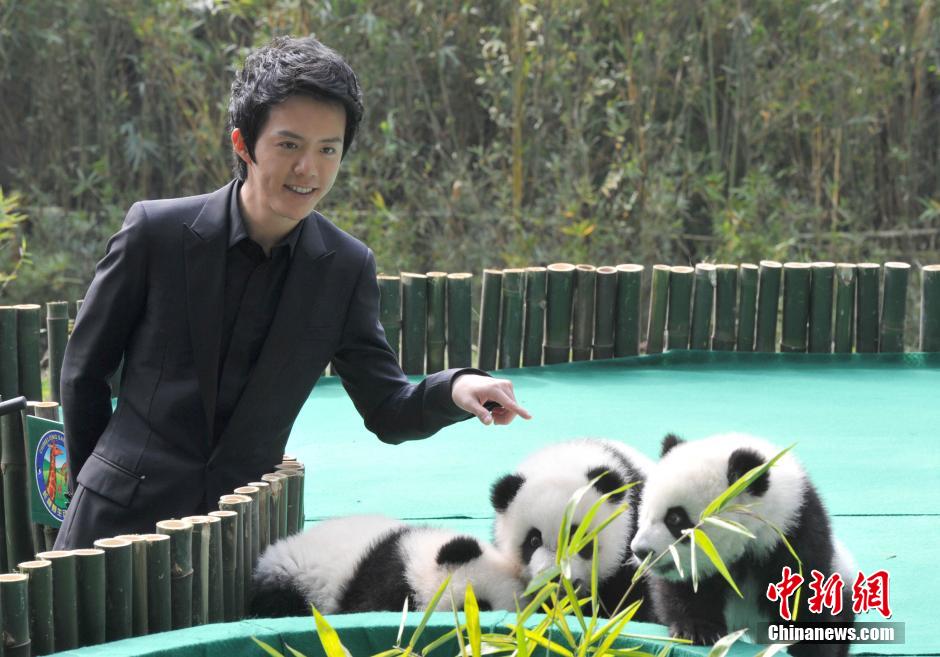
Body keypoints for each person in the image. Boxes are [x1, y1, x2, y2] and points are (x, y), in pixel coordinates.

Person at [54, 36, 530, 550]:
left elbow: (387, 408)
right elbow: (84, 373)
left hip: (238, 540)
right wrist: (92, 485)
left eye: (328, 149)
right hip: (114, 524)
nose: (309, 169)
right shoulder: (157, 232)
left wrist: (455, 388)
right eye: (289, 145)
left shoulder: (345, 268)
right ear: (243, 144)